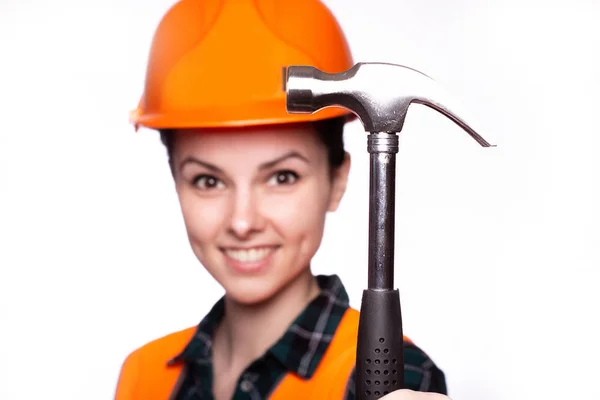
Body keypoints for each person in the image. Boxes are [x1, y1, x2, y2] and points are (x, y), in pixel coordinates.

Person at [115, 0, 449, 399]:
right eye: (207, 181)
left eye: (282, 177)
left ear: (338, 179)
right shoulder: (144, 376)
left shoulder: (393, 379)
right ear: (175, 181)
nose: (242, 221)